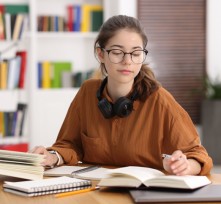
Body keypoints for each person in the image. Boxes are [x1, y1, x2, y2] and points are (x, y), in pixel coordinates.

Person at [31, 15, 213, 176]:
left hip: (145, 192)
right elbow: (69, 145)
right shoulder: (87, 93)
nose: (127, 61)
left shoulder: (160, 100)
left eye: (135, 53)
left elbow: (198, 155)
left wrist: (185, 166)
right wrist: (51, 156)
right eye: (117, 52)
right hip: (95, 192)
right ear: (100, 54)